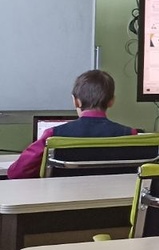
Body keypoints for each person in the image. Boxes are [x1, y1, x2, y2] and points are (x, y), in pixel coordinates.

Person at [7, 70, 137, 179]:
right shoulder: (130, 135)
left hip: (62, 200)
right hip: (114, 201)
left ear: (76, 101)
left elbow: (16, 172)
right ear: (111, 101)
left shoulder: (53, 136)